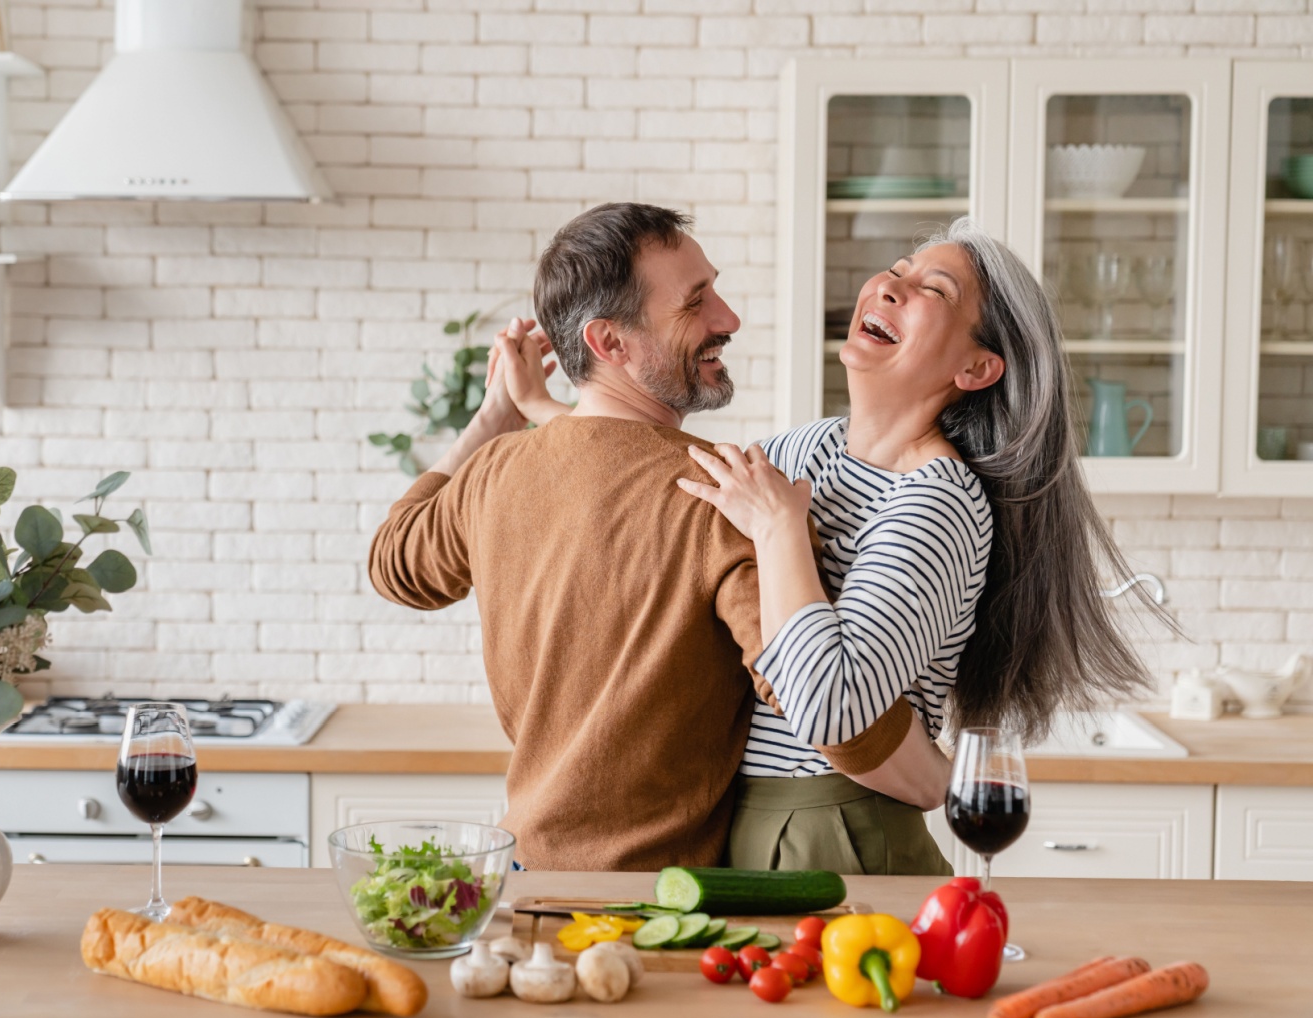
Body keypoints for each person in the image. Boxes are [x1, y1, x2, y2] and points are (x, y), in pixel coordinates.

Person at [502, 214, 1156, 874]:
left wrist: (782, 530)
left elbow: (833, 709)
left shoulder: (937, 501)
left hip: (840, 829)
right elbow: (664, 475)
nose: (890, 287)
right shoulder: (807, 449)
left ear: (977, 366)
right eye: (897, 270)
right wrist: (543, 409)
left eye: (934, 290)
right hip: (745, 824)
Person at [369, 203, 779, 871]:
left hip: (523, 879)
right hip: (657, 902)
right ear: (609, 343)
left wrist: (491, 419)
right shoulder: (722, 493)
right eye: (696, 303)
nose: (727, 319)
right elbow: (813, 696)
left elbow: (394, 563)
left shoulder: (496, 470)